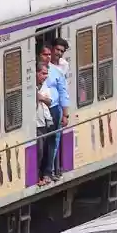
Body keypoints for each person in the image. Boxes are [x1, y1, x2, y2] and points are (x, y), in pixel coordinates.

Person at [43, 42, 71, 182]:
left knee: (54, 140)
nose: (48, 57)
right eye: (45, 54)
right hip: (41, 110)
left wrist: (65, 114)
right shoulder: (36, 71)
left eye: (49, 55)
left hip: (54, 108)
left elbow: (63, 92)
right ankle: (45, 171)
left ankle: (51, 170)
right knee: (43, 142)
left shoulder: (57, 71)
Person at [35, 62, 57, 187]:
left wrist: (41, 98)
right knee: (39, 150)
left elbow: (49, 101)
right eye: (43, 73)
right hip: (36, 123)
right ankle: (37, 176)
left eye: (46, 74)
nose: (45, 76)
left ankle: (44, 174)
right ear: (37, 73)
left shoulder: (44, 87)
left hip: (44, 122)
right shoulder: (32, 87)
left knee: (44, 150)